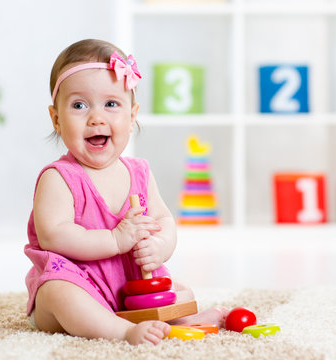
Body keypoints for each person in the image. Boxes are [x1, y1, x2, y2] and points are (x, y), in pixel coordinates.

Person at [24, 39, 227, 345]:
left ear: (132, 116)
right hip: (79, 284)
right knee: (57, 293)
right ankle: (122, 331)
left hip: (129, 289)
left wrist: (159, 246)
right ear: (56, 119)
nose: (96, 117)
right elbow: (55, 235)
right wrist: (116, 240)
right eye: (79, 105)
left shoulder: (140, 174)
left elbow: (164, 220)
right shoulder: (60, 178)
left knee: (179, 290)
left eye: (111, 104)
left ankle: (181, 319)